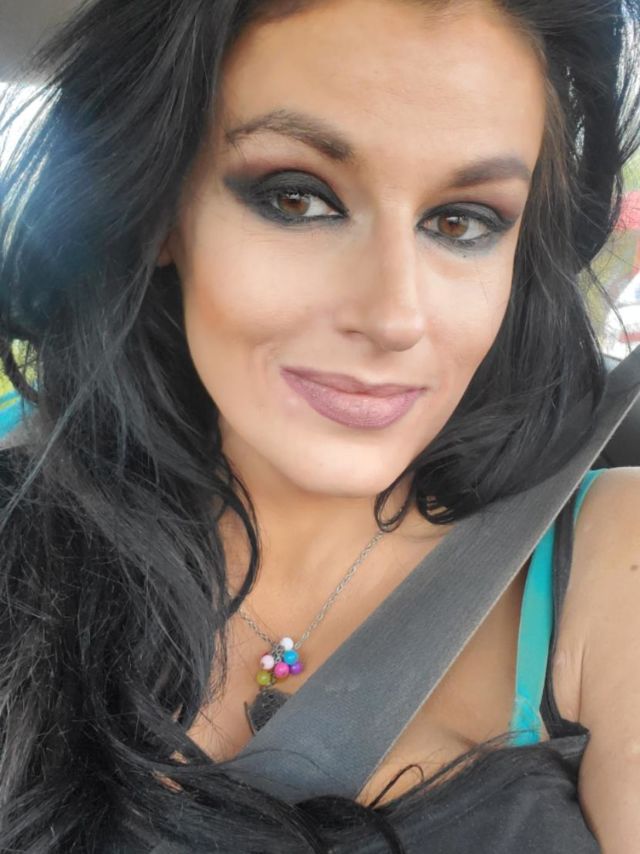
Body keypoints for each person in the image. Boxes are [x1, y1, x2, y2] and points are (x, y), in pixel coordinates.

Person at [0, 0, 639, 851]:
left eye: (462, 221)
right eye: (297, 198)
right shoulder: (22, 521)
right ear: (160, 210)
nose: (394, 316)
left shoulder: (611, 557)